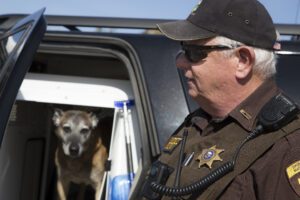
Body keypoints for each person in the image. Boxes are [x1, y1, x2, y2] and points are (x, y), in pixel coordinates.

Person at [140, 0, 300, 199]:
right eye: (183, 49)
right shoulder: (197, 123)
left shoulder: (288, 147)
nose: (180, 61)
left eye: (194, 53)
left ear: (242, 61)